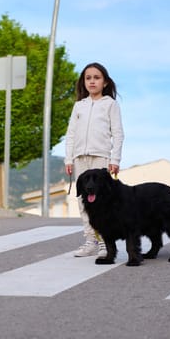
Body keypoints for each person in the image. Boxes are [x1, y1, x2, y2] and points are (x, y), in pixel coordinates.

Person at [64, 62, 124, 257]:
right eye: (88, 78)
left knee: (103, 201)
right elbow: (71, 134)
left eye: (96, 78)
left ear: (105, 82)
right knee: (84, 201)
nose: (92, 81)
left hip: (101, 157)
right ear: (84, 82)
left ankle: (105, 243)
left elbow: (118, 133)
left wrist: (114, 158)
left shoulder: (110, 104)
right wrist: (68, 159)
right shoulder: (79, 106)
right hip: (80, 157)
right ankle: (90, 240)